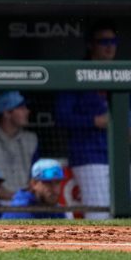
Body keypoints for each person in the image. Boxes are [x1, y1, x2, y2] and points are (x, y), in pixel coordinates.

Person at [54, 21, 116, 219]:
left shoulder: (120, 73)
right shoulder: (76, 74)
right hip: (89, 157)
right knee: (100, 215)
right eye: (103, 41)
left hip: (120, 156)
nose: (109, 46)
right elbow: (62, 116)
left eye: (113, 41)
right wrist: (93, 121)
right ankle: (103, 249)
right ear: (91, 45)